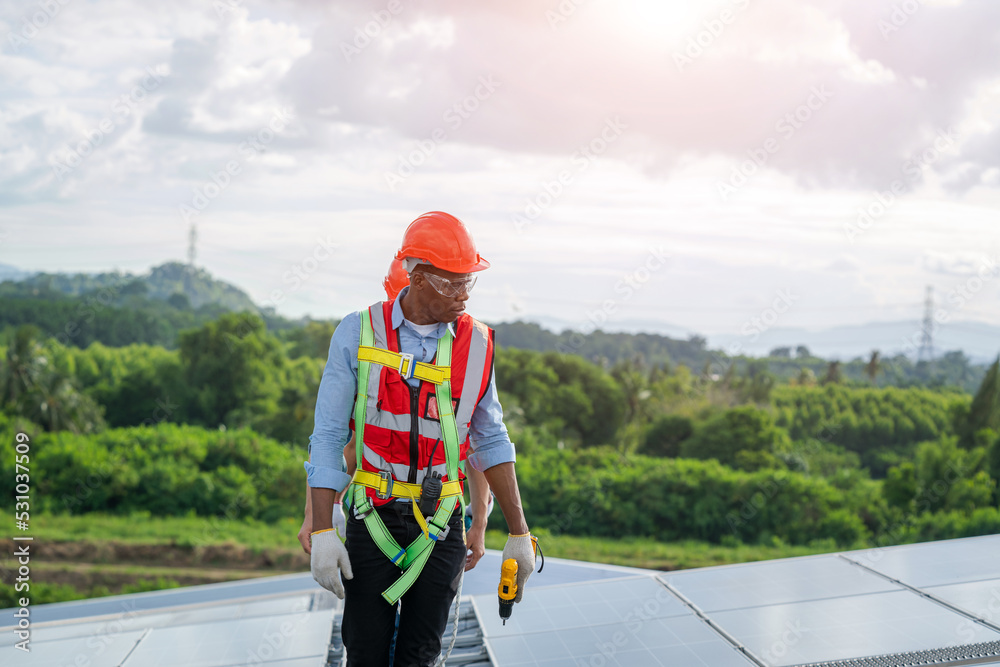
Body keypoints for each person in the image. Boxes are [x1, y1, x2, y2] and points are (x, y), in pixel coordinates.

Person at [305, 212, 536, 666]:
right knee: (366, 652)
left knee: (421, 654)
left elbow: (491, 440)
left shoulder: (478, 345)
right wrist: (321, 526)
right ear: (416, 277)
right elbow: (330, 436)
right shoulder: (357, 332)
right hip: (373, 516)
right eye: (451, 284)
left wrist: (518, 532)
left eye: (469, 282)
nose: (464, 295)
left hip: (442, 521)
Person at [298, 257, 493, 571]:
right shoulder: (371, 346)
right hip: (377, 513)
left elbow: (476, 448)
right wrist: (320, 514)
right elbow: (338, 444)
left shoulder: (462, 356)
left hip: (438, 514)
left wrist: (479, 524)